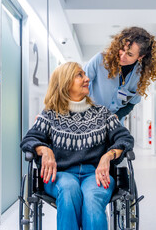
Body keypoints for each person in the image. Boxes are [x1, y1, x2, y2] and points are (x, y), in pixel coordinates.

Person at [20, 62, 134, 230]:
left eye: (85, 74)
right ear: (65, 83)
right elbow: (29, 139)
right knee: (68, 190)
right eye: (80, 75)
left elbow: (124, 138)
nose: (87, 79)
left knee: (92, 196)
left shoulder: (101, 113)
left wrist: (108, 155)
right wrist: (44, 149)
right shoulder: (51, 114)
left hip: (96, 174)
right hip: (61, 174)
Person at [84, 26, 156, 121]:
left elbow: (131, 103)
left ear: (140, 56)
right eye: (122, 50)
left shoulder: (140, 75)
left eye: (130, 54)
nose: (123, 56)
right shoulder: (100, 60)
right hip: (89, 120)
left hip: (114, 125)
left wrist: (117, 116)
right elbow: (79, 85)